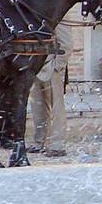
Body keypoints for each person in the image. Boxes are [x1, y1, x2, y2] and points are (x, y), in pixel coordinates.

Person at [30, 25, 72, 157]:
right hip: (35, 67)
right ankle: (39, 142)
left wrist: (57, 66)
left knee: (56, 107)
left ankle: (57, 145)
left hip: (51, 68)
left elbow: (66, 44)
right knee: (37, 107)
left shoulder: (59, 16)